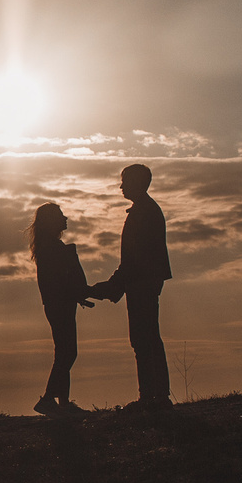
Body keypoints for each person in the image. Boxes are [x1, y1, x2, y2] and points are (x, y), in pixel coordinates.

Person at [90, 163, 172, 409]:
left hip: (142, 282)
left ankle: (152, 396)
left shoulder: (144, 213)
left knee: (143, 338)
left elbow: (134, 259)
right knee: (146, 337)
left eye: (124, 181)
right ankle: (154, 394)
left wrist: (113, 286)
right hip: (143, 280)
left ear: (137, 183)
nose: (121, 186)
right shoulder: (145, 210)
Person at [27, 201, 95, 414]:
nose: (65, 218)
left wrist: (78, 295)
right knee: (68, 352)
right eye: (61, 215)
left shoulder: (48, 247)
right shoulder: (52, 248)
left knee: (64, 351)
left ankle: (63, 403)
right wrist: (78, 293)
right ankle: (48, 399)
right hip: (59, 304)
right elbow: (61, 279)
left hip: (59, 303)